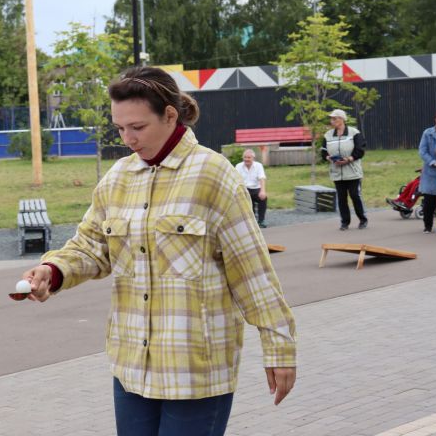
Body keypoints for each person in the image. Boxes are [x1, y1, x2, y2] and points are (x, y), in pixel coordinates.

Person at [18, 66, 297, 436]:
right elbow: (91, 246)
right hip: (132, 366)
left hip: (195, 371)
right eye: (120, 128)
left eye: (137, 127)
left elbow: (252, 271)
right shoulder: (116, 179)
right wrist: (52, 271)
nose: (128, 138)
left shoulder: (213, 174)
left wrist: (279, 348)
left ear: (169, 115)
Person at [320, 109, 368, 231]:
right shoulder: (328, 135)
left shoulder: (354, 132)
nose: (332, 121)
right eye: (331, 118)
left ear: (341, 119)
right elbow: (323, 151)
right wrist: (329, 158)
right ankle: (345, 222)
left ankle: (362, 219)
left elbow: (360, 150)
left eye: (334, 118)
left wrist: (349, 159)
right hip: (337, 172)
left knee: (354, 195)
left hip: (352, 172)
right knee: (341, 198)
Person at [417, 108, 436, 233]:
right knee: (429, 201)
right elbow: (422, 151)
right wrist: (435, 163)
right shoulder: (428, 133)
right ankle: (427, 226)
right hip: (432, 170)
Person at [235, 148, 268, 228]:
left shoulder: (258, 165)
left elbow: (262, 178)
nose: (246, 159)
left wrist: (262, 191)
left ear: (253, 158)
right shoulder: (238, 166)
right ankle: (251, 222)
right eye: (245, 157)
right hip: (244, 189)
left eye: (249, 157)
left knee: (263, 198)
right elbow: (235, 179)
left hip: (256, 189)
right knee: (249, 204)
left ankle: (261, 220)